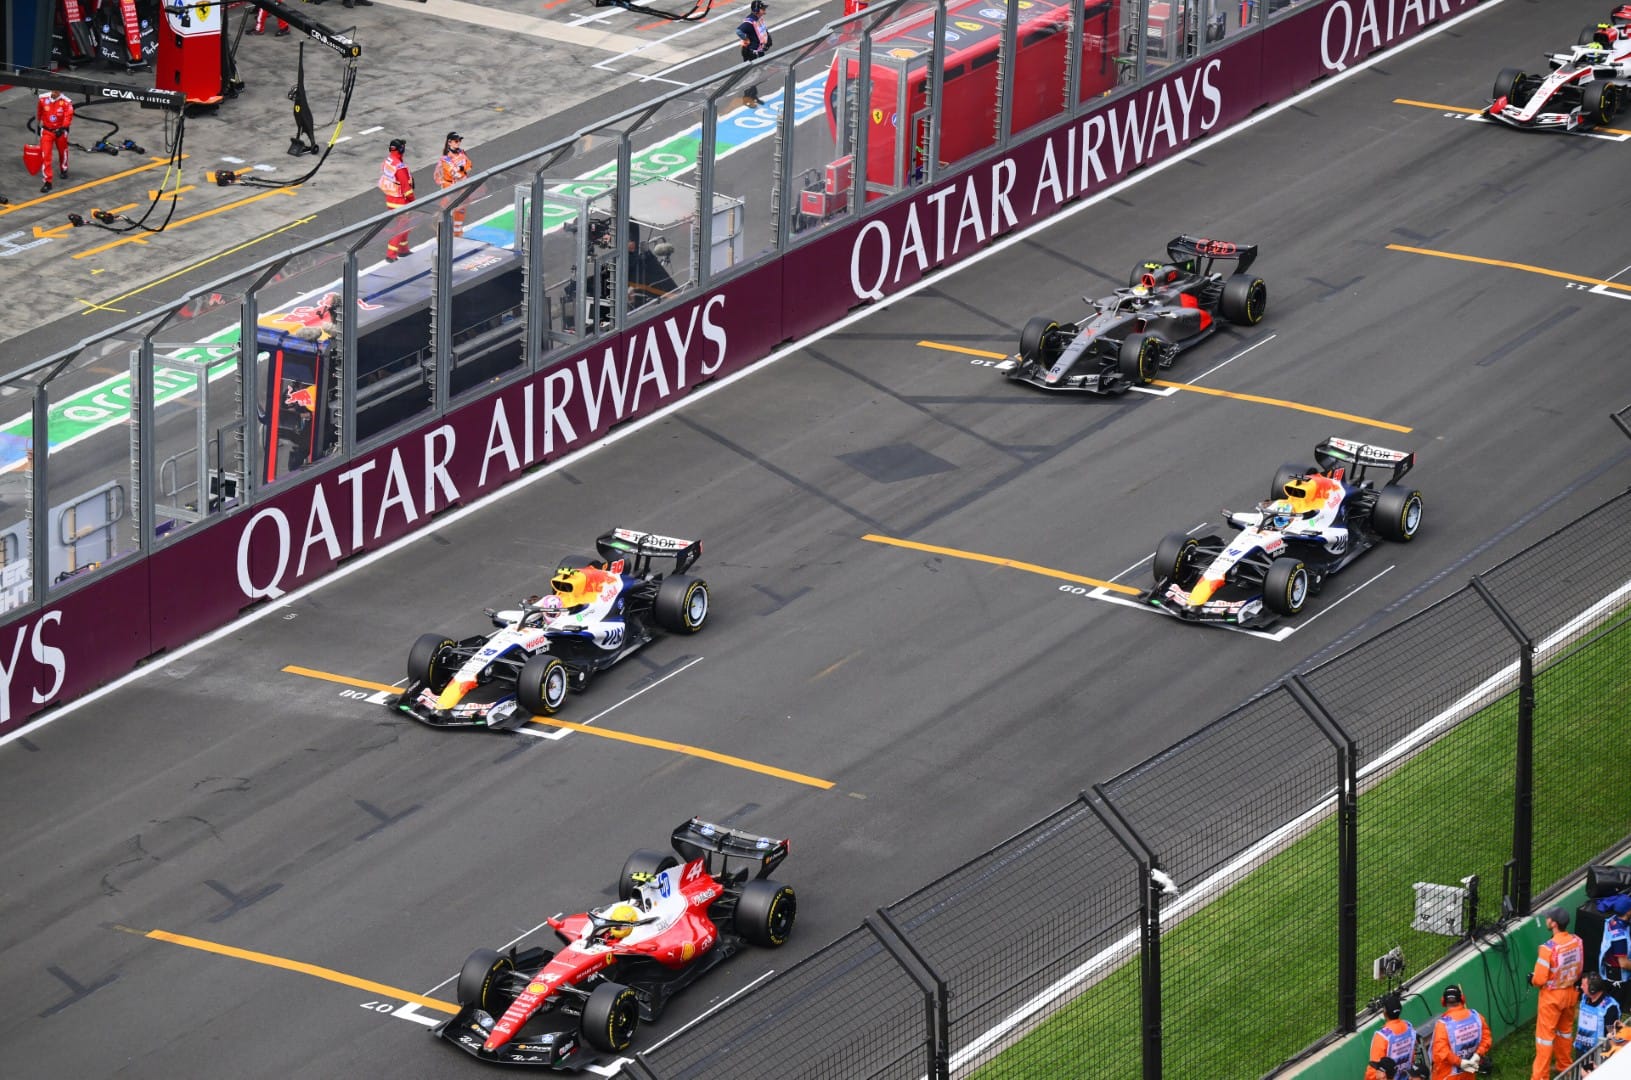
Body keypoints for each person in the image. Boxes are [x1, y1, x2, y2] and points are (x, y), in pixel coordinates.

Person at [1533, 905, 1586, 1079]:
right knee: (1565, 1031)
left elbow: (1539, 979)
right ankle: (1565, 1066)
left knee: (1544, 1039)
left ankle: (1540, 1076)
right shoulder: (1577, 940)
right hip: (1570, 993)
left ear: (1554, 924)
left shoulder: (1547, 949)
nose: (1547, 920)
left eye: (1548, 918)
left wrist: (1532, 979)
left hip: (1551, 997)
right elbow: (1579, 969)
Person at [1431, 984, 1491, 1080]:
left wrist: (1460, 1062)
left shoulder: (1442, 1025)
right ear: (1462, 999)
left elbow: (1440, 1051)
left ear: (1443, 1001)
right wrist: (1478, 1054)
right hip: (1469, 1072)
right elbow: (1486, 1038)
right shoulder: (1476, 1017)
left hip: (1447, 1075)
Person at [379, 137, 414, 261]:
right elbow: (406, 188)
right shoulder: (400, 167)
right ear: (401, 149)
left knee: (404, 225)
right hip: (400, 201)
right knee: (401, 227)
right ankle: (391, 254)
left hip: (390, 199)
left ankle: (403, 249)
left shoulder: (388, 162)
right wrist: (413, 201)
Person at [1366, 996, 1417, 1080]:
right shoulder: (1409, 1027)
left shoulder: (1382, 1037)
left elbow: (1374, 1070)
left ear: (1384, 1012)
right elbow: (1412, 1057)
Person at [433, 132, 472, 238]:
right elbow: (456, 173)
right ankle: (441, 232)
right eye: (456, 141)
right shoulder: (446, 159)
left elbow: (469, 165)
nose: (458, 143)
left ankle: (458, 231)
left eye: (459, 140)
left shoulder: (461, 152)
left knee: (462, 208)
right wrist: (462, 170)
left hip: (462, 185)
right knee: (446, 210)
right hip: (450, 187)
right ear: (449, 142)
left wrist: (462, 170)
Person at [1576, 974, 1623, 1064]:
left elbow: (1613, 1034)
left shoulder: (1610, 1007)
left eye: (1584, 985)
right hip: (1581, 1048)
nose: (1581, 987)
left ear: (1592, 989)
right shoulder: (1584, 998)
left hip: (1597, 1054)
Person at [35, 89, 74, 194]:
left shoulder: (67, 102)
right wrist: (37, 125)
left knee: (63, 151)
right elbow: (39, 112)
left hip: (60, 131)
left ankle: (64, 168)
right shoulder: (43, 99)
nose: (54, 93)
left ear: (61, 92)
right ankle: (48, 181)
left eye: (56, 92)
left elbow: (68, 117)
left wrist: (62, 128)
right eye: (53, 91)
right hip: (47, 131)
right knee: (46, 155)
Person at [736, 0, 771, 104]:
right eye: (762, 9)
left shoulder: (759, 19)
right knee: (751, 75)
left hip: (759, 51)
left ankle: (753, 95)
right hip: (751, 52)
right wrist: (746, 39)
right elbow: (739, 31)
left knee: (758, 74)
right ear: (756, 10)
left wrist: (768, 41)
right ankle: (747, 97)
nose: (764, 11)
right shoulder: (750, 22)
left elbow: (763, 30)